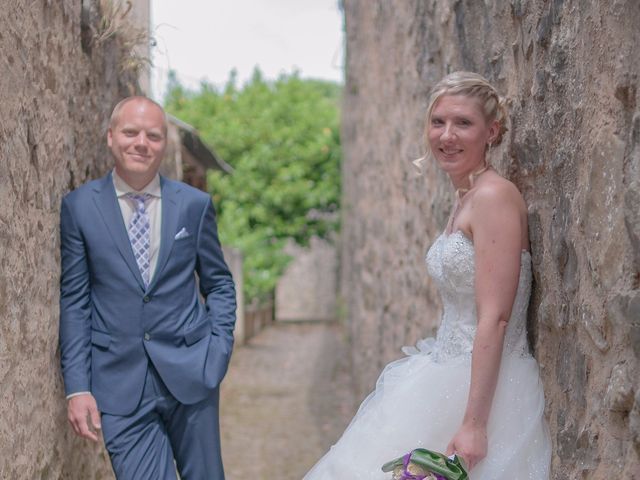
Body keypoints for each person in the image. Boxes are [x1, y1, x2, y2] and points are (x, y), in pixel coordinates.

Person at [304, 72, 551, 479]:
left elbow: (496, 317)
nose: (447, 136)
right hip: (443, 373)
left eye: (463, 124)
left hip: (488, 390)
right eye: (438, 122)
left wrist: (473, 425)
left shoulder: (494, 196)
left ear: (491, 132)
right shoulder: (464, 199)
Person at [59, 96, 236, 479]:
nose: (141, 142)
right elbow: (75, 302)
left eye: (153, 135)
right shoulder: (79, 208)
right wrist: (77, 387)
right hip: (119, 385)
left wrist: (218, 350)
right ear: (110, 137)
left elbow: (219, 283)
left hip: (193, 374)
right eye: (130, 132)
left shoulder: (194, 205)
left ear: (164, 144)